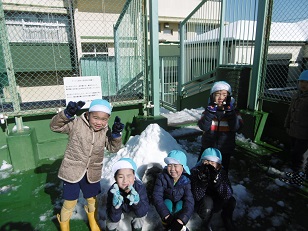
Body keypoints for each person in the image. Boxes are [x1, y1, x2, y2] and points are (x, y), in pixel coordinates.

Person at [50, 99, 124, 231]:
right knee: (70, 201)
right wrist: (66, 114)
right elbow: (55, 126)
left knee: (91, 199)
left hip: (92, 172)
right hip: (72, 170)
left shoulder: (105, 130)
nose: (99, 122)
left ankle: (93, 221)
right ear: (88, 114)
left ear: (108, 119)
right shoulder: (76, 123)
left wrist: (116, 135)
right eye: (95, 118)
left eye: (103, 119)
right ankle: (64, 225)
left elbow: (113, 148)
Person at [197, 81, 243, 173]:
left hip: (225, 149)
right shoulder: (207, 112)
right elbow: (204, 127)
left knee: (221, 172)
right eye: (217, 94)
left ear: (229, 97)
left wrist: (230, 113)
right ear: (212, 96)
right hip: (208, 148)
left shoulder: (235, 112)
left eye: (224, 95)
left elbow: (236, 127)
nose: (221, 97)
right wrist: (210, 112)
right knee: (202, 169)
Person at [190, 148, 237, 231]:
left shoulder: (221, 173)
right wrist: (202, 182)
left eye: (212, 162)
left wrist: (217, 182)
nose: (209, 164)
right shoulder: (195, 171)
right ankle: (205, 224)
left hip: (216, 200)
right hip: (202, 204)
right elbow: (196, 196)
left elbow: (228, 194)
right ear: (201, 161)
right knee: (208, 202)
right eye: (206, 161)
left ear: (218, 165)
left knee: (231, 200)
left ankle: (227, 218)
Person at [153, 150, 194, 231]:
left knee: (180, 205)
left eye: (175, 165)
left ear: (182, 167)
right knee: (167, 203)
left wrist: (182, 220)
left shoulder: (186, 180)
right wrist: (166, 215)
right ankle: (167, 225)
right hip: (167, 201)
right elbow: (157, 196)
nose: (172, 169)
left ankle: (179, 225)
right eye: (169, 165)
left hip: (179, 202)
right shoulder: (162, 177)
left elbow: (189, 201)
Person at [280, 70, 308, 187]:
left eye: (307, 82)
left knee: (300, 156)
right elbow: (290, 112)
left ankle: (297, 179)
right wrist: (287, 124)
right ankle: (297, 173)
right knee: (295, 153)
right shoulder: (296, 95)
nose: (303, 84)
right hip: (293, 131)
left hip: (304, 133)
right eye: (301, 81)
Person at [106, 158, 149, 231]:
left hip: (134, 210)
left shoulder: (140, 188)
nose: (125, 180)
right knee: (111, 222)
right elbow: (113, 218)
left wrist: (136, 203)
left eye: (129, 176)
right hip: (119, 212)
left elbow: (142, 212)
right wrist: (116, 207)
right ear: (115, 178)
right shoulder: (113, 191)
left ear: (134, 177)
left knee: (139, 218)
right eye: (120, 177)